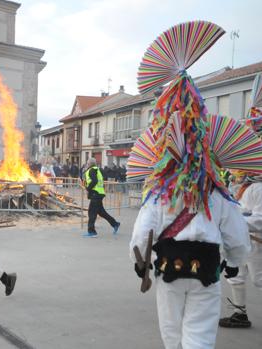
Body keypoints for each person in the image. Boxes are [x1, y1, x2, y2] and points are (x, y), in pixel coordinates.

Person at [128, 21, 252, 349]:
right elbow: (237, 240)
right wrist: (236, 261)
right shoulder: (218, 194)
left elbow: (141, 237)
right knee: (199, 334)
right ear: (205, 148)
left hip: (169, 269)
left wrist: (138, 260)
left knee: (172, 333)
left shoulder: (159, 194)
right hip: (208, 269)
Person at [219, 177, 262, 328]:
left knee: (259, 278)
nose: (233, 174)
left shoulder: (258, 188)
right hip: (241, 240)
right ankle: (240, 313)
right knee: (236, 276)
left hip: (256, 241)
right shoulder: (241, 187)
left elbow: (260, 219)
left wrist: (236, 222)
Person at [83, 157, 120, 237]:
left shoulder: (92, 170)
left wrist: (88, 188)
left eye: (87, 163)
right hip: (99, 193)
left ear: (89, 164)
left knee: (92, 212)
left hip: (95, 194)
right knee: (102, 212)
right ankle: (115, 224)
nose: (86, 164)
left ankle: (92, 232)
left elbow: (94, 181)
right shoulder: (98, 169)